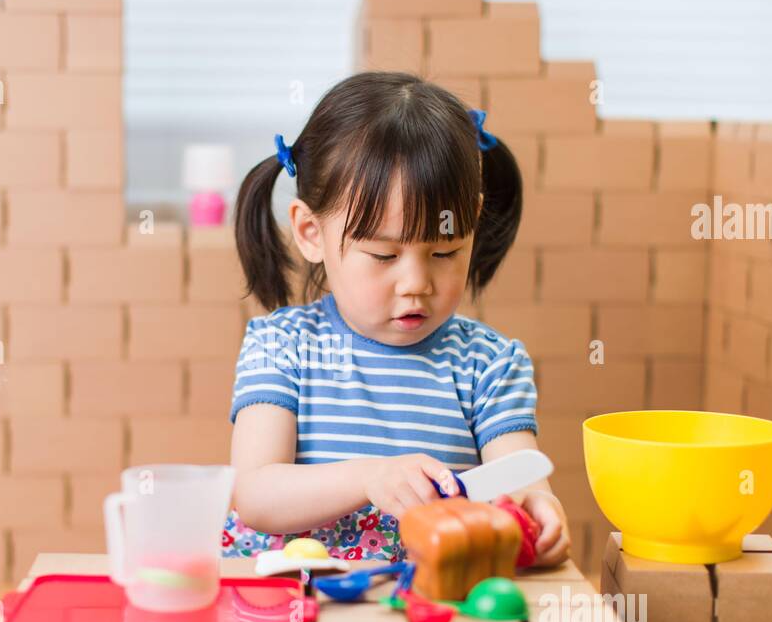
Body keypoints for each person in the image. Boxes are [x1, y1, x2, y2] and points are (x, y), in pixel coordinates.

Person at [222, 71, 570, 566]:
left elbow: (520, 479)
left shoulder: (490, 364)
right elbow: (255, 494)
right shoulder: (283, 346)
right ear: (310, 231)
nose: (416, 283)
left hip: (435, 602)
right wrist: (369, 477)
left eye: (445, 251)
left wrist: (539, 508)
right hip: (303, 605)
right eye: (384, 255)